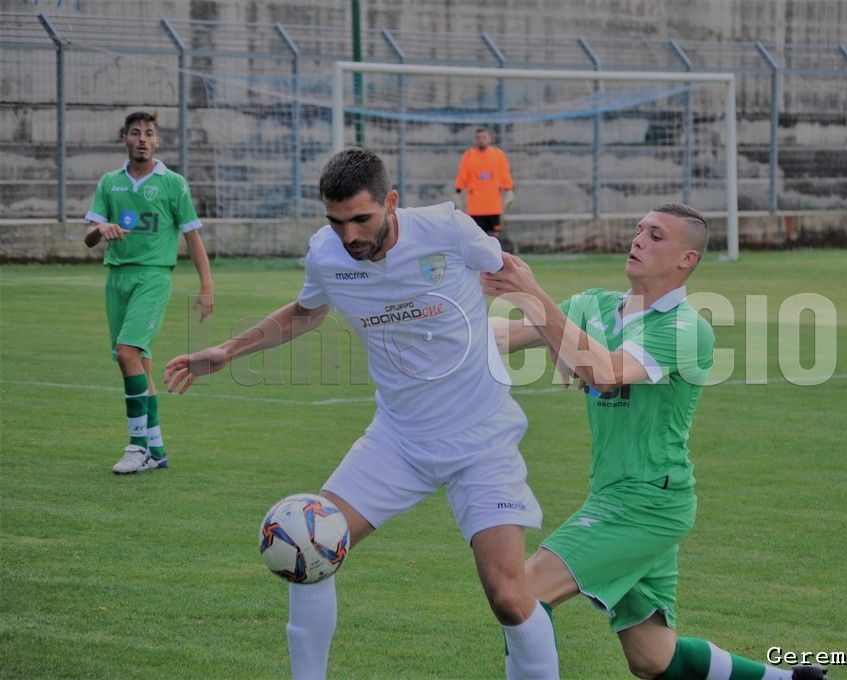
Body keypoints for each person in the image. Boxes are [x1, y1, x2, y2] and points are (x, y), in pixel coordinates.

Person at [163, 148, 558, 680]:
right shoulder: (326, 255)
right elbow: (305, 313)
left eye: (361, 219)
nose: (348, 235)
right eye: (335, 220)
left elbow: (517, 279)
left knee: (509, 596)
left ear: (391, 203)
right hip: (397, 442)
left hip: (481, 441)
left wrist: (564, 345)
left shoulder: (449, 230)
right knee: (307, 545)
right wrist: (228, 351)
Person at [482, 203, 828, 680]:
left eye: (656, 235)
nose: (639, 239)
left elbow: (603, 373)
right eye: (639, 230)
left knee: (519, 595)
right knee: (652, 658)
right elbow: (506, 335)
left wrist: (535, 298)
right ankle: (788, 679)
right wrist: (428, 317)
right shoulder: (594, 306)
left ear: (687, 259)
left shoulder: (687, 330)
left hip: (647, 503)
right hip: (618, 493)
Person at [84, 110, 214, 475]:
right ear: (124, 138)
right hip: (117, 278)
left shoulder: (173, 183)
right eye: (135, 132)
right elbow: (88, 236)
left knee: (127, 352)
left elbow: (192, 235)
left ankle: (136, 446)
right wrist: (102, 229)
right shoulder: (110, 183)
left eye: (149, 133)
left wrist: (207, 285)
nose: (142, 138)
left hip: (154, 278)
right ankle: (156, 448)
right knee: (138, 362)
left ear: (157, 141)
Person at [454, 126, 516, 251]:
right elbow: (462, 174)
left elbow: (504, 173)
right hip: (475, 206)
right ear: (475, 140)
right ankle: (478, 262)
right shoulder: (469, 155)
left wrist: (509, 190)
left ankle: (495, 262)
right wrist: (458, 191)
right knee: (476, 234)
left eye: (484, 137)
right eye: (478, 138)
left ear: (489, 139)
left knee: (494, 235)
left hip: (493, 205)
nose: (481, 140)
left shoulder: (498, 155)